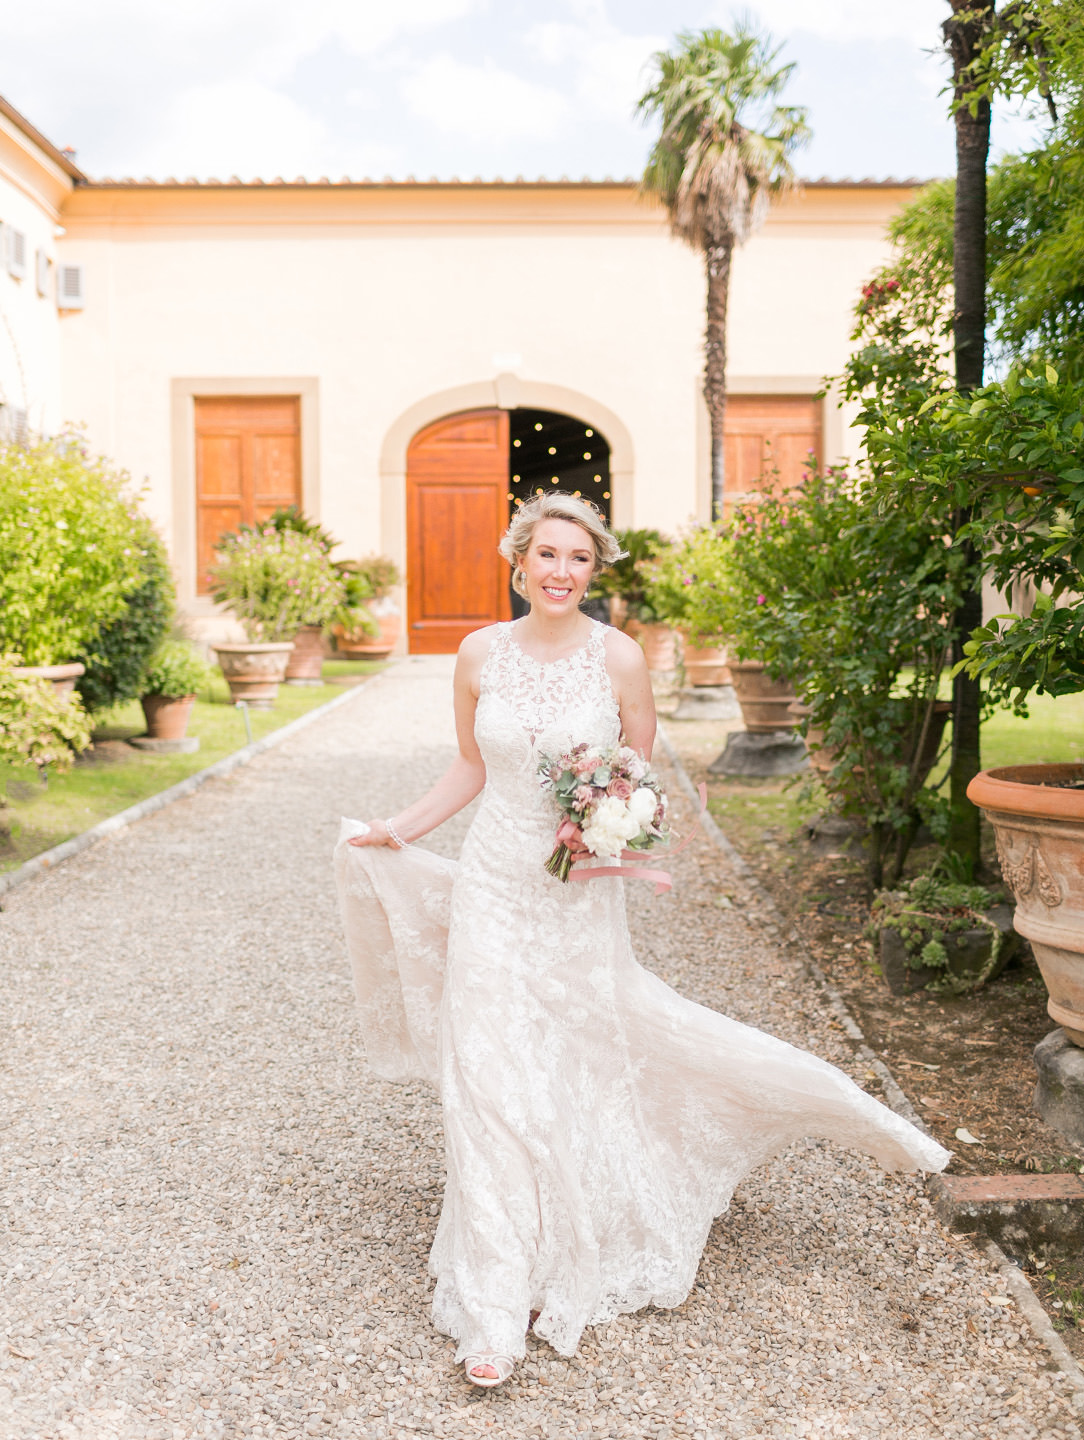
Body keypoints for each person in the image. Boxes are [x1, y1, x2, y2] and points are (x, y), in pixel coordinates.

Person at [335, 492, 950, 1391]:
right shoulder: (477, 655)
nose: (559, 571)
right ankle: (497, 1301)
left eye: (577, 559)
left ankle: (613, 1210)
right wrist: (398, 827)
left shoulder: (617, 657)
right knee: (489, 1073)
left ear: (595, 571)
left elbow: (636, 770)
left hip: (577, 900)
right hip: (494, 888)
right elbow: (470, 766)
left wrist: (607, 823)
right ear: (518, 562)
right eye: (545, 554)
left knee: (579, 1056)